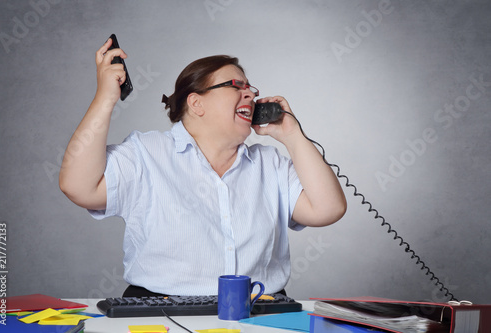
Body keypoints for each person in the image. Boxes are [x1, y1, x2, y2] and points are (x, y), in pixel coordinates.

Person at [59, 37, 347, 297]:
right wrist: (105, 98)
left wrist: (292, 136)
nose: (250, 94)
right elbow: (78, 187)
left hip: (259, 312)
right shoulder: (145, 153)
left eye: (250, 88)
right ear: (196, 103)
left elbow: (328, 209)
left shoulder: (270, 164)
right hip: (161, 313)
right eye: (236, 86)